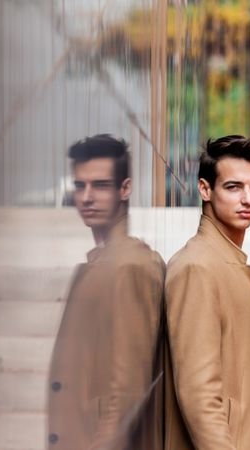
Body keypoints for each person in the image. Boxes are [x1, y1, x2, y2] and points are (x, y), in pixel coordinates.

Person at [47, 134, 166, 450]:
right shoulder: (102, 263)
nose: (86, 197)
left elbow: (128, 386)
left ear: (124, 189)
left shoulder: (130, 266)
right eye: (79, 186)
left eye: (100, 185)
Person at [164, 135, 250, 449]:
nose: (248, 199)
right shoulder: (197, 267)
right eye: (233, 187)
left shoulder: (224, 262)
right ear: (205, 189)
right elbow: (198, 392)